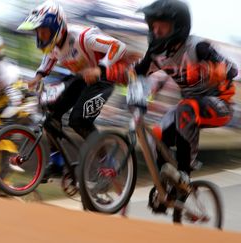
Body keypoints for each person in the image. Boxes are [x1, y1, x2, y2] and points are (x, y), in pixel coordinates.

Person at [120, 0, 237, 210]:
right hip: (189, 108)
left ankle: (184, 173)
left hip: (220, 104)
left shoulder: (198, 46)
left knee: (186, 108)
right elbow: (136, 72)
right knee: (154, 135)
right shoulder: (157, 54)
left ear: (178, 27)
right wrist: (117, 74)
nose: (155, 32)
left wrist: (210, 71)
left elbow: (232, 69)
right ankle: (168, 188)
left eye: (161, 27)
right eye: (153, 26)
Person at [17, 0, 127, 180]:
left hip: (103, 80)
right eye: (39, 32)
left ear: (57, 27)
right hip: (81, 79)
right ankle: (57, 163)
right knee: (50, 115)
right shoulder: (52, 45)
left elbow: (118, 46)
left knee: (79, 120)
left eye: (44, 31)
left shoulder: (84, 37)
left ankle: (108, 161)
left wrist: (100, 68)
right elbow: (50, 58)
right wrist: (37, 77)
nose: (41, 36)